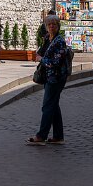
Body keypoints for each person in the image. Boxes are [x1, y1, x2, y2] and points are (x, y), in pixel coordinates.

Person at [27, 15, 69, 146]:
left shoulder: (59, 41)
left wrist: (41, 59)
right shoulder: (47, 39)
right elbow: (40, 52)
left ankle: (41, 136)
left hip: (56, 78)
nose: (51, 26)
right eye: (49, 24)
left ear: (58, 26)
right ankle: (58, 136)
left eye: (54, 24)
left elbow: (55, 62)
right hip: (48, 77)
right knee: (54, 106)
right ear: (46, 26)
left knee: (47, 106)